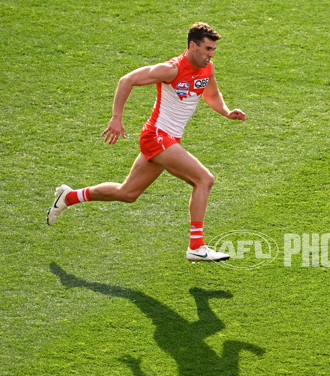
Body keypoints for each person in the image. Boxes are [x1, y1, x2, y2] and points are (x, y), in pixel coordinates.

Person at [47, 22, 246, 262]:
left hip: (169, 140)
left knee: (128, 193)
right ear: (192, 46)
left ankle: (68, 197)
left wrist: (226, 112)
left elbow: (211, 95)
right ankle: (196, 246)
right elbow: (126, 80)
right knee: (204, 179)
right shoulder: (171, 69)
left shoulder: (207, 69)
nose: (211, 54)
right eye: (207, 49)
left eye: (213, 50)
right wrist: (116, 118)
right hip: (157, 137)